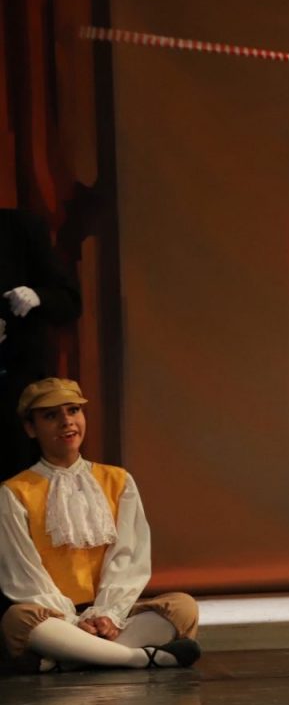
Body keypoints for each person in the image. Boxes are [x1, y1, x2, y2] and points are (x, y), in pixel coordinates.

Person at [0, 378, 200, 672]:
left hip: (112, 616)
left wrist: (108, 613)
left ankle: (66, 661)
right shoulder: (15, 491)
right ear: (31, 428)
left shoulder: (118, 480)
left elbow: (129, 556)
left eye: (73, 410)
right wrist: (72, 622)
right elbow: (23, 573)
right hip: (55, 619)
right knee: (18, 620)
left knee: (183, 608)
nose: (67, 422)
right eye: (51, 415)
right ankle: (138, 658)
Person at [0, 209, 83, 479]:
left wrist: (37, 296)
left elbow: (69, 301)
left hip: (14, 393)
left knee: (19, 483)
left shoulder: (20, 227)